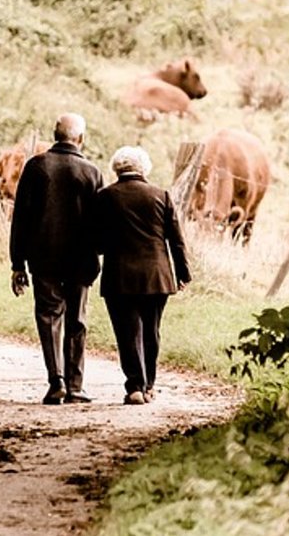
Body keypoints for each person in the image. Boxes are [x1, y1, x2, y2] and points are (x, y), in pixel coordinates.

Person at [9, 113, 104, 405]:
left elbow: (20, 219)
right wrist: (98, 254)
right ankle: (76, 386)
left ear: (54, 134)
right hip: (81, 259)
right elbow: (100, 222)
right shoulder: (91, 172)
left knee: (49, 317)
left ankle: (56, 381)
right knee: (77, 320)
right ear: (81, 139)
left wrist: (17, 264)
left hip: (43, 257)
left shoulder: (36, 167)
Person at [94, 146, 191, 405]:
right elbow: (176, 241)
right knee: (152, 331)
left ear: (117, 168)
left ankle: (134, 386)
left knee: (127, 333)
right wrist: (182, 273)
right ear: (144, 168)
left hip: (119, 276)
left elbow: (97, 241)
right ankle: (149, 386)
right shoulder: (162, 196)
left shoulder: (105, 197)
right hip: (157, 275)